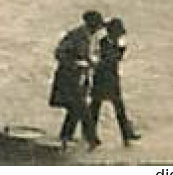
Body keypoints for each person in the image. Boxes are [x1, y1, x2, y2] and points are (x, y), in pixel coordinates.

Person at [51, 10, 106, 150]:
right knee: (82, 108)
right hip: (68, 78)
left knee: (75, 109)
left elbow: (85, 55)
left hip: (79, 79)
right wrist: (76, 64)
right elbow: (59, 53)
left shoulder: (87, 37)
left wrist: (91, 63)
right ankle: (91, 139)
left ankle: (65, 136)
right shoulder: (76, 36)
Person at [89, 18, 140, 146]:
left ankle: (125, 134)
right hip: (102, 78)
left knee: (115, 107)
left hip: (110, 78)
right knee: (97, 107)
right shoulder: (104, 43)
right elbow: (107, 59)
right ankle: (91, 134)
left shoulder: (113, 44)